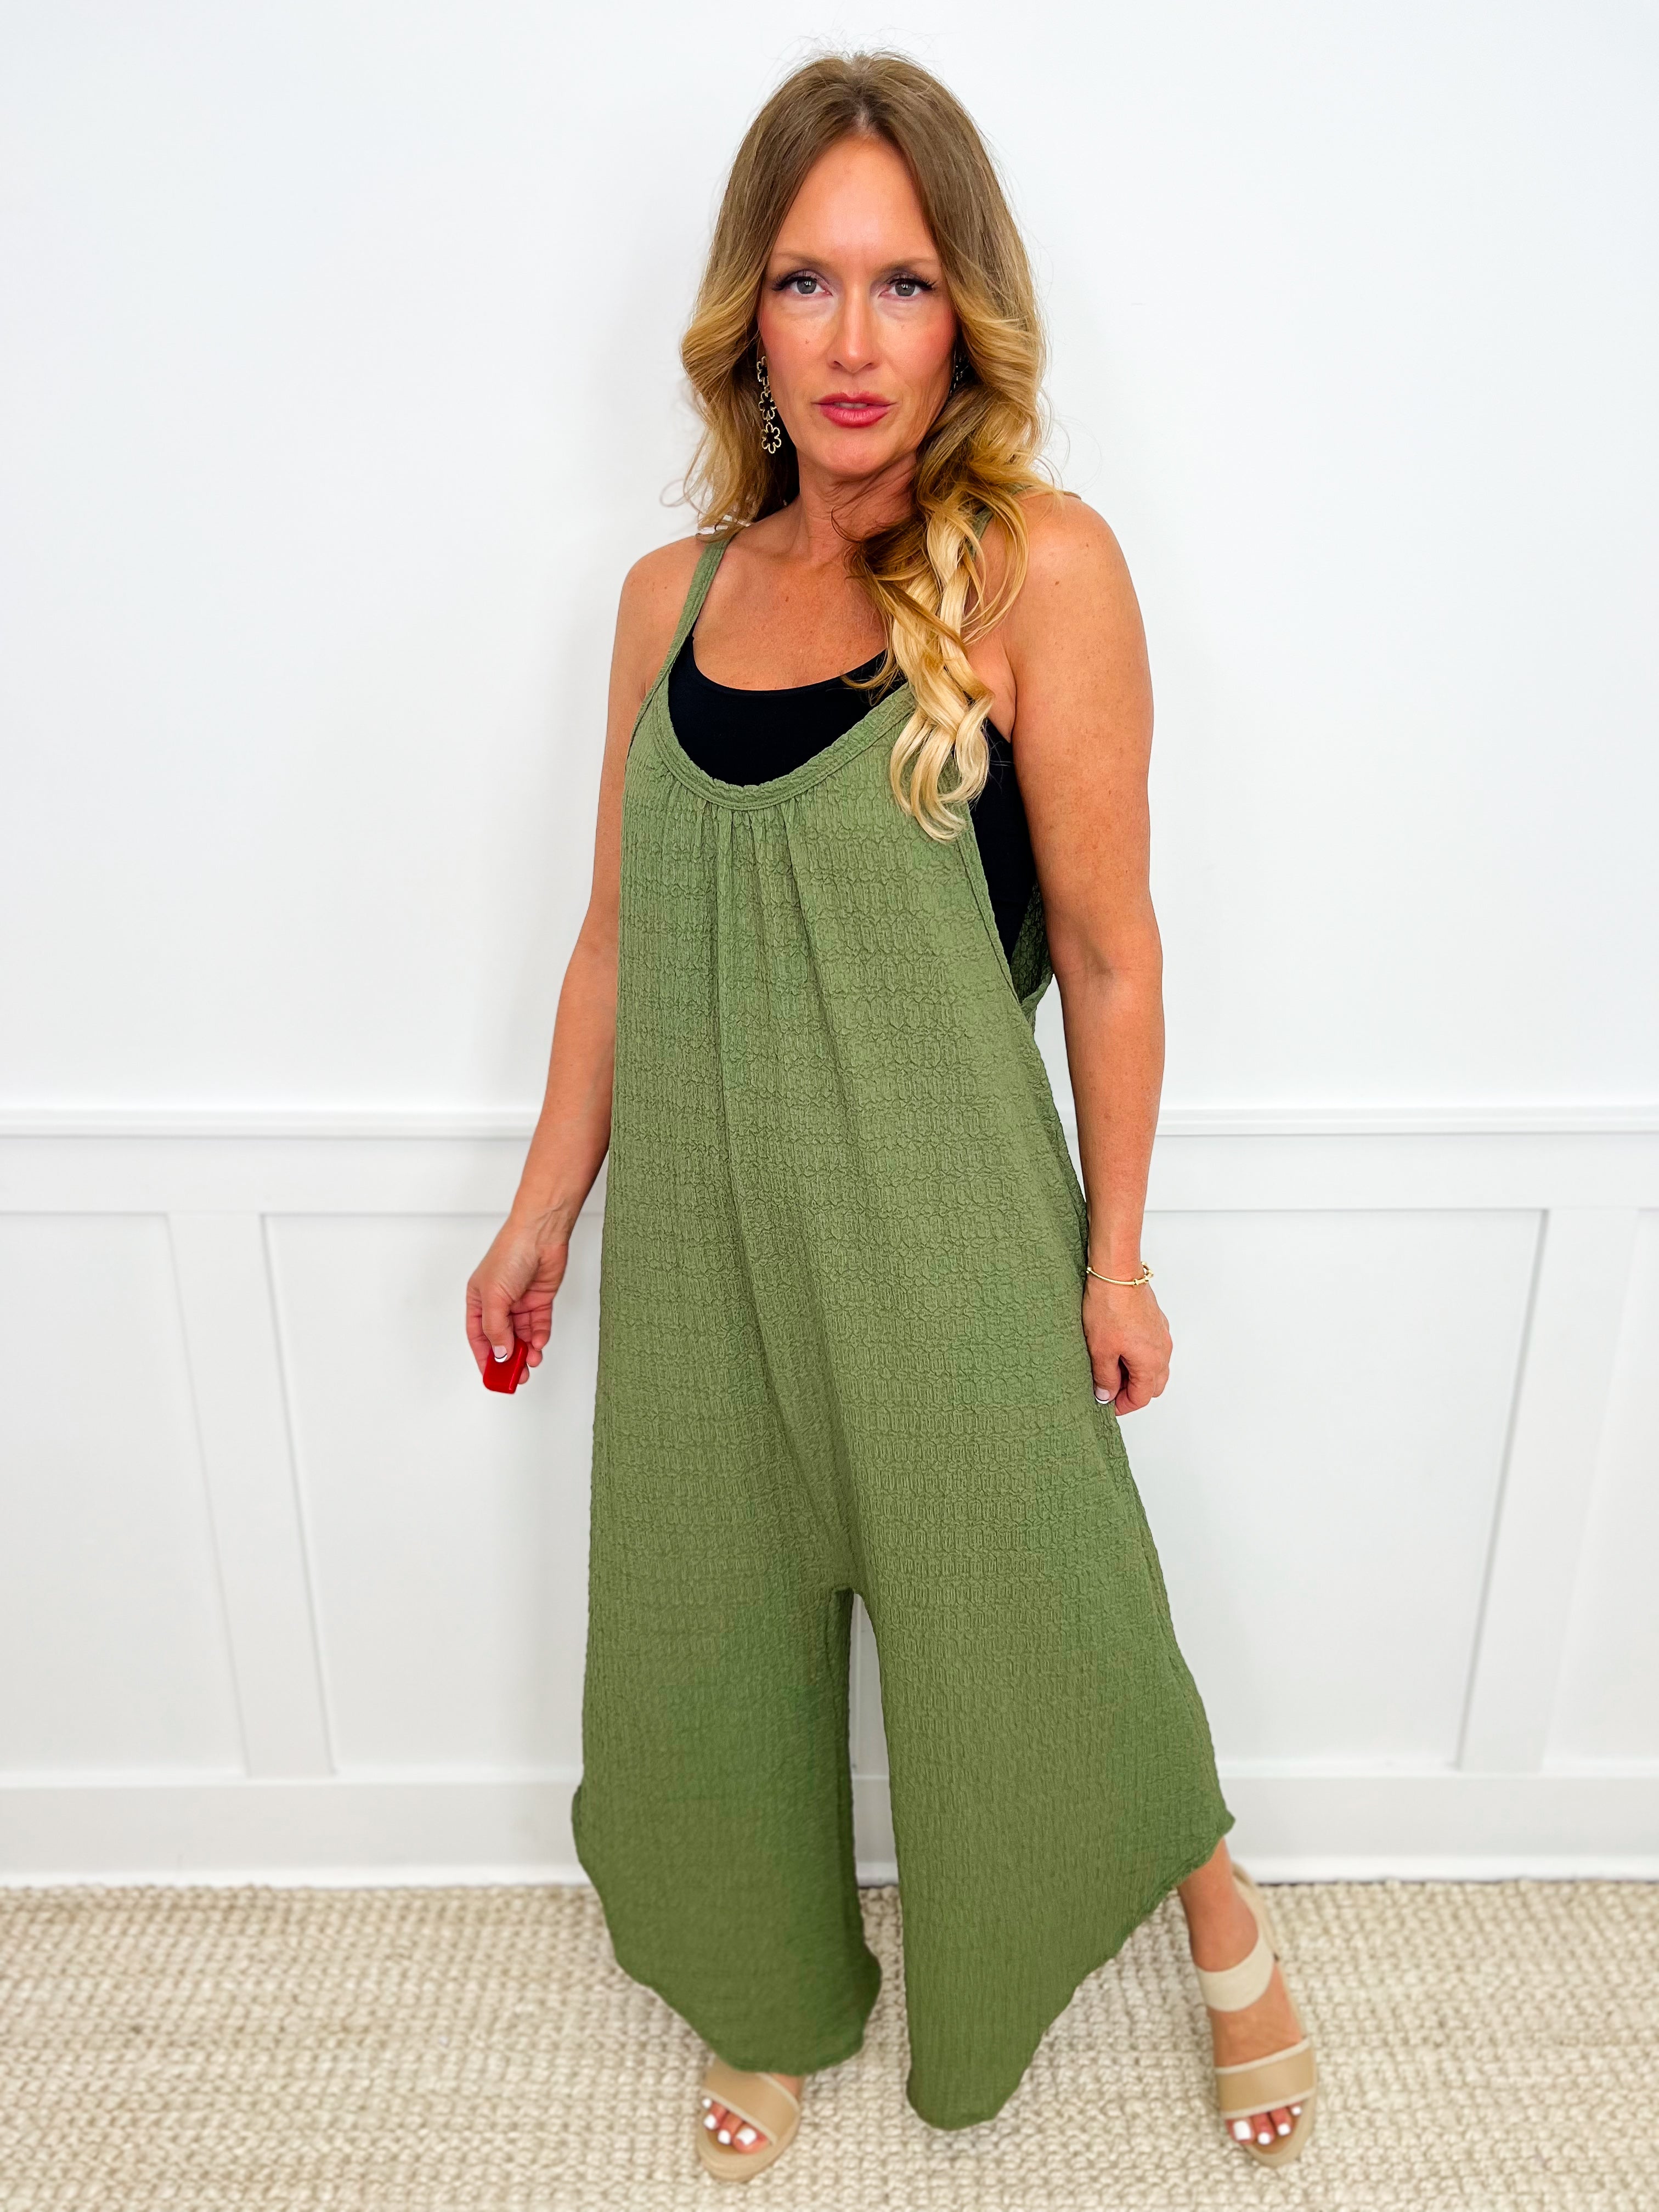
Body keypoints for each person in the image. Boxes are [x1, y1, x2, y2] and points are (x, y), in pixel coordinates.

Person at [466, 49, 1317, 2180]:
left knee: (1045, 1604)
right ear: (747, 315)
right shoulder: (666, 605)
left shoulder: (1041, 569)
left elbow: (1109, 951)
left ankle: (1222, 1916)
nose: (855, 341)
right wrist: (542, 1208)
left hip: (945, 1231)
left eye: (905, 284)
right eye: (810, 282)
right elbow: (614, 945)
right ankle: (767, 1988)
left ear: (967, 315)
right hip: (706, 1247)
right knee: (715, 1633)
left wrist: (1115, 1254)